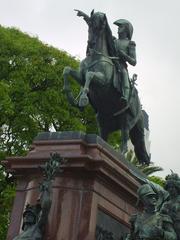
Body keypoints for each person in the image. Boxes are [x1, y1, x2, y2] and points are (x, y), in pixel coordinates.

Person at [113, 19, 137, 106]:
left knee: (123, 74)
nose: (118, 28)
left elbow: (134, 62)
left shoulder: (130, 43)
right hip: (110, 63)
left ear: (126, 29)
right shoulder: (114, 41)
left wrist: (123, 55)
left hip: (121, 65)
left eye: (120, 26)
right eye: (118, 26)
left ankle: (125, 96)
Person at [161, 172, 180, 240]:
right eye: (169, 187)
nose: (171, 189)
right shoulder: (165, 204)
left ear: (177, 188)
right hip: (169, 226)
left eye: (173, 187)